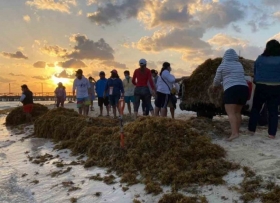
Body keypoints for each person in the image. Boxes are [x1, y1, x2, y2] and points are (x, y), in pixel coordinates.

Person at [213, 49, 249, 141]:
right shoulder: (239, 65)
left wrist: (217, 86)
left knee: (231, 112)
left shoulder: (222, 65)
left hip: (231, 89)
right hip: (244, 89)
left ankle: (234, 133)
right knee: (237, 112)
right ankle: (237, 131)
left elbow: (216, 80)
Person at [248, 40, 280, 139]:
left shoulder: (260, 58)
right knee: (273, 111)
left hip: (261, 86)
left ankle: (251, 130)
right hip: (276, 87)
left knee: (256, 108)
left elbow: (255, 71)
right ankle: (272, 134)